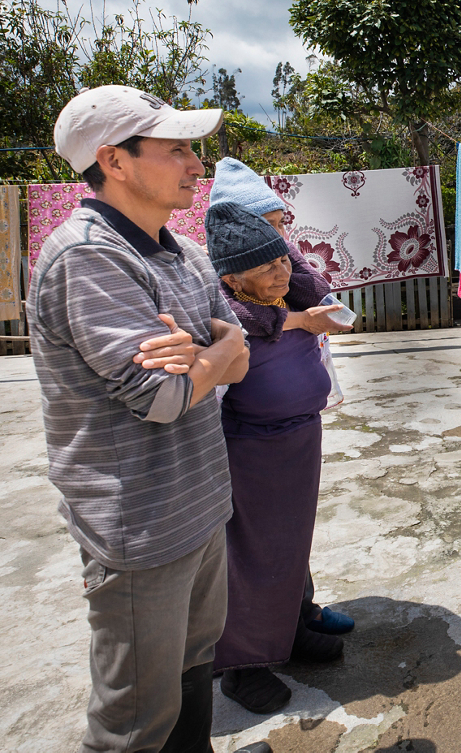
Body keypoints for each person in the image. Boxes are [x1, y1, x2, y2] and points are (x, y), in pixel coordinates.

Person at [34, 86, 252, 752]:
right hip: (139, 527)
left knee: (193, 675)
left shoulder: (181, 253)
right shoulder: (87, 255)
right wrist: (212, 358)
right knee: (135, 722)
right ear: (115, 161)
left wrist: (205, 359)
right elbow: (161, 397)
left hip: (201, 506)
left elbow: (240, 356)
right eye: (177, 149)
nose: (196, 165)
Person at [203, 202, 347, 713]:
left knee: (292, 549)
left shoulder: (288, 302)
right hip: (250, 453)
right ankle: (242, 668)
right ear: (230, 278)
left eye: (283, 259)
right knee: (249, 558)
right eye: (266, 267)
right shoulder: (222, 320)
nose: (281, 271)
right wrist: (297, 320)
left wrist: (301, 310)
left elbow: (309, 285)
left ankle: (289, 633)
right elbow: (244, 329)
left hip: (300, 443)